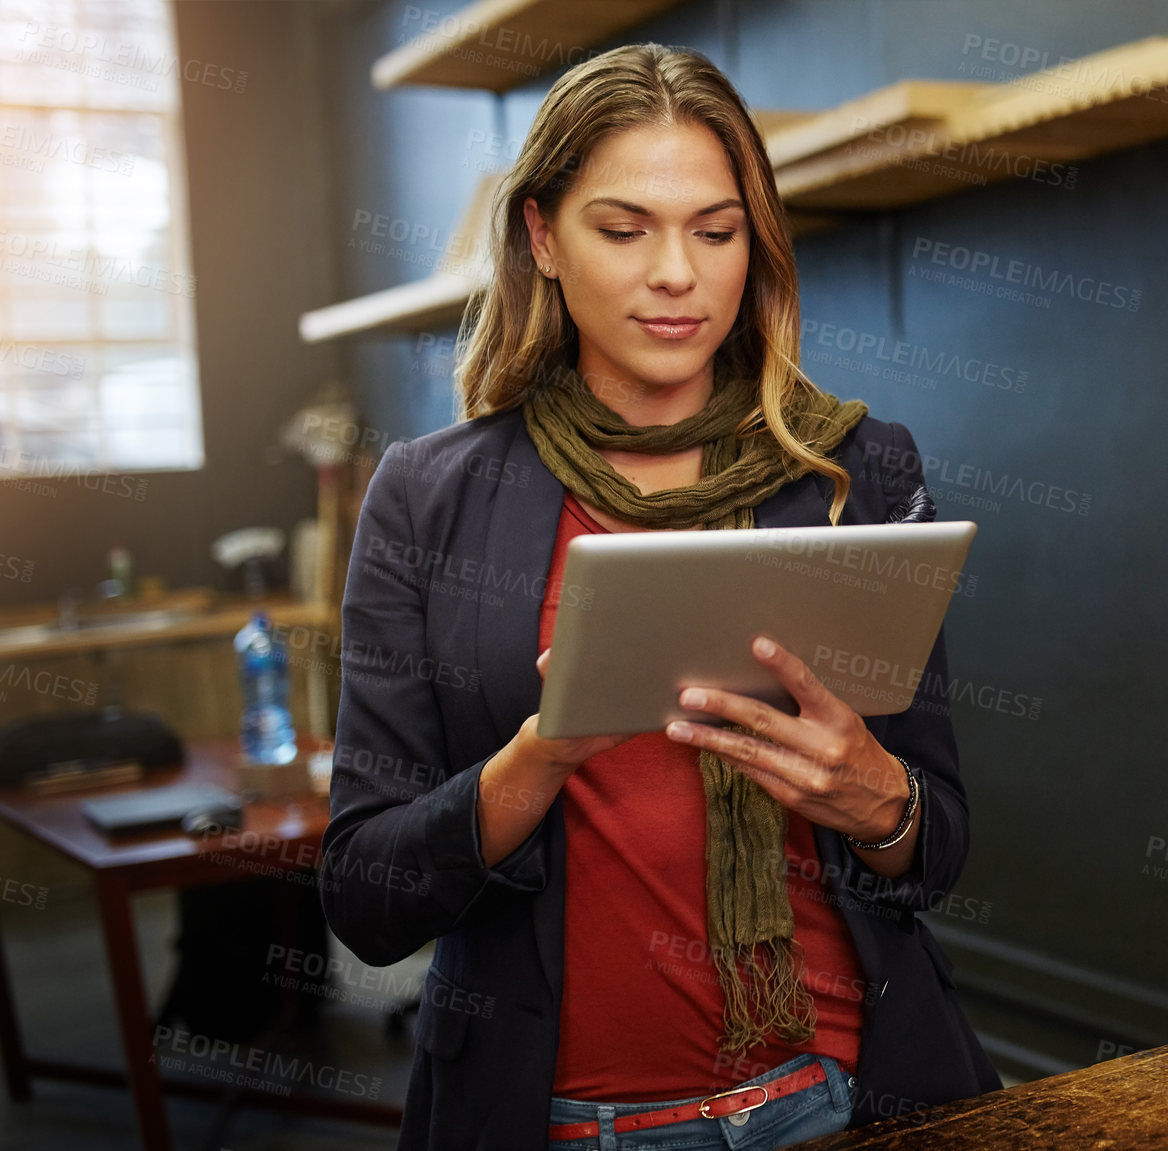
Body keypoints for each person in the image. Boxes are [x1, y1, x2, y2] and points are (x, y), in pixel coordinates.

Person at [318, 42, 999, 1151]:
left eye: (716, 231)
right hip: (562, 1120)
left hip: (844, 1092)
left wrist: (879, 796)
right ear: (542, 236)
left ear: (754, 242)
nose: (676, 273)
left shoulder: (855, 470)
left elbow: (939, 839)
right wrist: (537, 759)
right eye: (624, 229)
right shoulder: (430, 498)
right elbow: (365, 894)